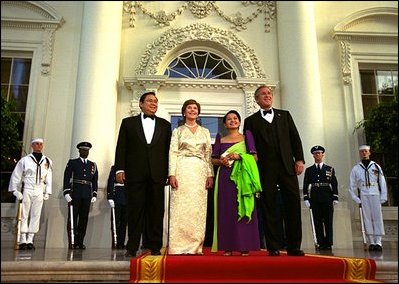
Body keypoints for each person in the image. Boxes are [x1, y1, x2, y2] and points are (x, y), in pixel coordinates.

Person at [243, 85, 305, 256]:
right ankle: (273, 246)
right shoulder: (250, 121)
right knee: (269, 206)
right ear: (256, 99)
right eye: (263, 94)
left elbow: (295, 138)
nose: (267, 96)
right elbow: (249, 146)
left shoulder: (284, 115)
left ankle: (294, 246)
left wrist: (299, 159)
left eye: (269, 93)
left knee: (292, 204)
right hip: (265, 169)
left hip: (287, 167)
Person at [114, 91, 172, 257]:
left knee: (156, 210)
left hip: (157, 175)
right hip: (134, 174)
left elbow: (169, 151)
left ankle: (154, 245)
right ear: (140, 104)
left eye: (155, 101)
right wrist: (119, 169)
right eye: (149, 101)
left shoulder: (165, 125)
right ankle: (132, 245)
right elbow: (121, 147)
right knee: (135, 210)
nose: (153, 104)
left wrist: (169, 172)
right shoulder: (128, 123)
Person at [211, 110, 262, 256]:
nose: (232, 120)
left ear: (239, 122)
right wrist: (221, 161)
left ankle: (244, 246)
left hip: (243, 178)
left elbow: (255, 158)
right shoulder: (221, 138)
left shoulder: (247, 137)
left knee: (243, 207)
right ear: (225, 123)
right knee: (226, 210)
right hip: (225, 178)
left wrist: (239, 156)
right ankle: (227, 246)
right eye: (228, 119)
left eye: (235, 118)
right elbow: (213, 159)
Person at [168, 99, 214, 255]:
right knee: (181, 207)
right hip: (182, 169)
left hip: (200, 171)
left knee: (197, 209)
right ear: (184, 111)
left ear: (198, 112)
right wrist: (172, 173)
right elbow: (173, 152)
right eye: (189, 108)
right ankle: (178, 246)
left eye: (195, 108)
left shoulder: (205, 132)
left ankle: (195, 246)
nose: (192, 110)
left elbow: (208, 154)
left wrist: (210, 174)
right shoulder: (178, 131)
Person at [8, 138, 52, 250]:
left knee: (36, 215)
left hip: (39, 189)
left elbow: (49, 177)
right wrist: (15, 190)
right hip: (27, 187)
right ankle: (22, 239)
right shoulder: (25, 160)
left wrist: (47, 191)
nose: (39, 146)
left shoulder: (47, 160)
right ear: (32, 145)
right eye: (37, 144)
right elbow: (16, 175)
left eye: (41, 144)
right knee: (24, 214)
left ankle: (30, 239)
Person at [349, 145, 387, 251]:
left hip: (375, 193)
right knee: (367, 217)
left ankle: (378, 241)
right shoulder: (356, 168)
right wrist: (355, 198)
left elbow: (382, 182)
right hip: (364, 194)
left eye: (366, 151)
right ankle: (371, 241)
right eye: (362, 152)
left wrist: (383, 196)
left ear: (369, 153)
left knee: (377, 217)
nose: (364, 153)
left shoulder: (376, 166)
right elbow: (352, 185)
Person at [63, 141, 98, 250]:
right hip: (76, 193)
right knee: (73, 218)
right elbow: (67, 177)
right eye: (83, 150)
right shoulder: (73, 162)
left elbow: (95, 180)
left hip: (87, 194)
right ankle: (72, 241)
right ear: (79, 151)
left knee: (83, 219)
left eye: (87, 150)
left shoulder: (93, 165)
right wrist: (66, 192)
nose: (85, 152)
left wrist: (94, 193)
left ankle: (80, 241)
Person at [303, 145, 339, 250]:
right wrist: (306, 197)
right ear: (313, 156)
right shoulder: (309, 170)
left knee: (328, 220)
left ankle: (328, 242)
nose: (317, 155)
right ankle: (320, 242)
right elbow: (306, 184)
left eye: (319, 153)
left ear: (322, 154)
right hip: (315, 197)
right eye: (315, 154)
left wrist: (335, 197)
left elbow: (334, 183)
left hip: (327, 196)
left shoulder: (329, 169)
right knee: (317, 220)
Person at [107, 165, 128, 249]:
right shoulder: (115, 168)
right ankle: (115, 241)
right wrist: (110, 197)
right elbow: (111, 183)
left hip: (126, 198)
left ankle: (121, 242)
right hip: (117, 197)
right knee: (116, 221)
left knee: (124, 222)